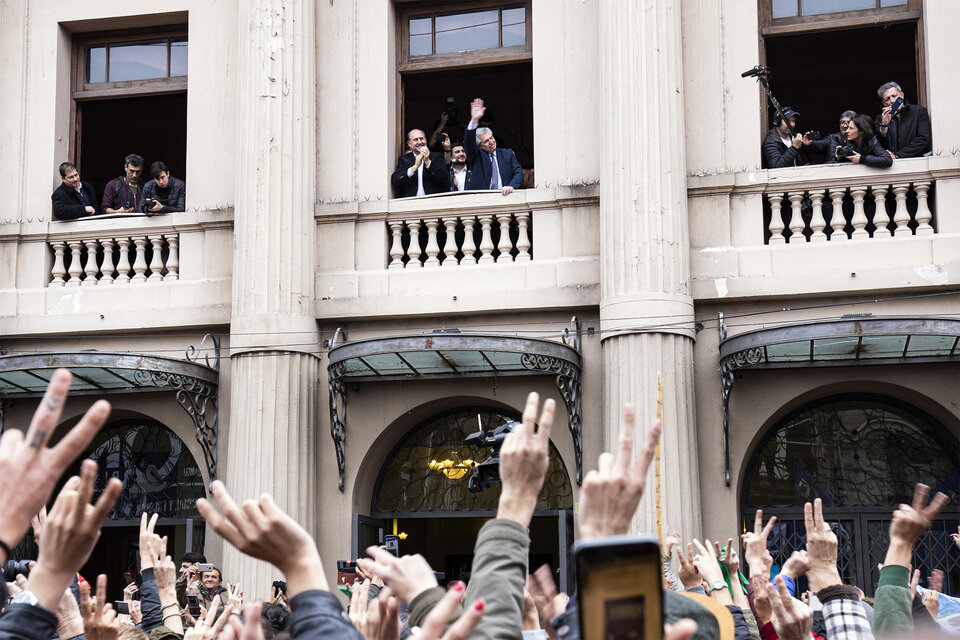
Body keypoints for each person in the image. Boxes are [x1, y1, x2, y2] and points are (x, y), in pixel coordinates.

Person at [464, 98, 523, 196]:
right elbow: (469, 143)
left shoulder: (507, 154)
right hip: (480, 200)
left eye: (491, 138)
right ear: (480, 146)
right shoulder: (477, 156)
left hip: (503, 196)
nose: (491, 142)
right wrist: (474, 120)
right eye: (486, 141)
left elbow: (518, 172)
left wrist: (511, 186)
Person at [874, 81, 932, 159]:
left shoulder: (919, 112)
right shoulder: (880, 118)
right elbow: (878, 144)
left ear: (902, 95)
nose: (892, 101)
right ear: (884, 103)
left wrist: (898, 155)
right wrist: (884, 126)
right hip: (890, 164)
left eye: (894, 96)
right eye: (887, 99)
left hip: (915, 161)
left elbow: (923, 139)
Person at [391, 129, 449, 197]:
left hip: (433, 202)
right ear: (409, 144)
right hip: (410, 203)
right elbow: (396, 181)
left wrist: (428, 162)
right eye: (416, 139)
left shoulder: (437, 157)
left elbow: (445, 179)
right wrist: (415, 167)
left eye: (421, 138)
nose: (420, 142)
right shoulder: (404, 159)